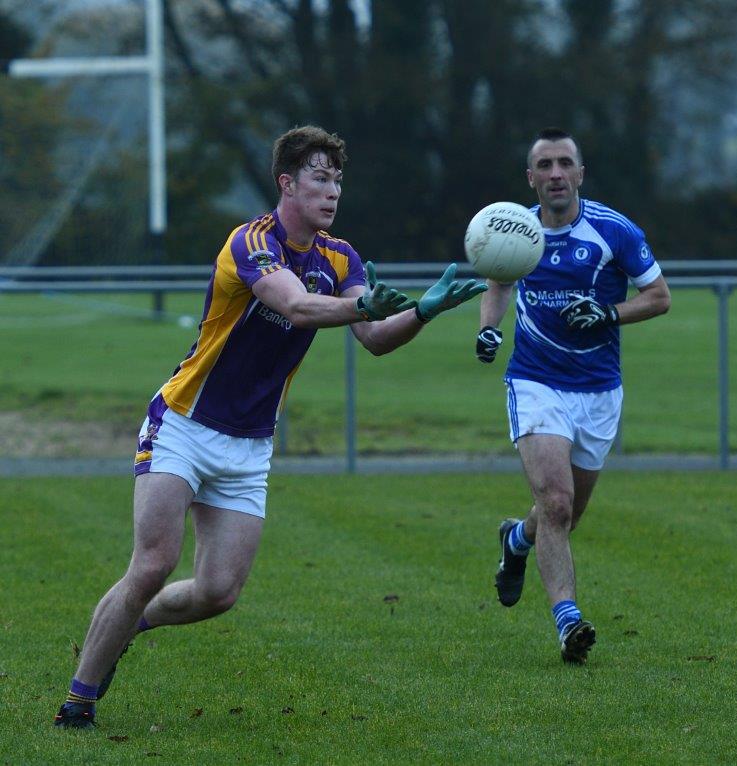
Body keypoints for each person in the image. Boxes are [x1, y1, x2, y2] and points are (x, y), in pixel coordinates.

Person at [53, 125, 486, 729]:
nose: (332, 191)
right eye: (319, 177)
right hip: (184, 420)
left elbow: (375, 339)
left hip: (250, 443)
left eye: (337, 180)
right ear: (287, 183)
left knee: (217, 592)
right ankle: (79, 701)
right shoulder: (252, 242)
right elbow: (296, 306)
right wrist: (361, 305)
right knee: (153, 561)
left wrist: (423, 312)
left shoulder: (341, 256)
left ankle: (132, 622)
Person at [476, 127, 670, 664]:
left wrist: (609, 312)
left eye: (565, 164)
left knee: (563, 515)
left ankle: (516, 541)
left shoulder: (614, 230)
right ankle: (568, 622)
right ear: (531, 178)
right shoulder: (513, 229)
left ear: (580, 174)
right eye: (545, 165)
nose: (556, 174)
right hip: (535, 381)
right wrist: (489, 329)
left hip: (599, 392)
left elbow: (659, 297)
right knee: (556, 502)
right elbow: (497, 282)